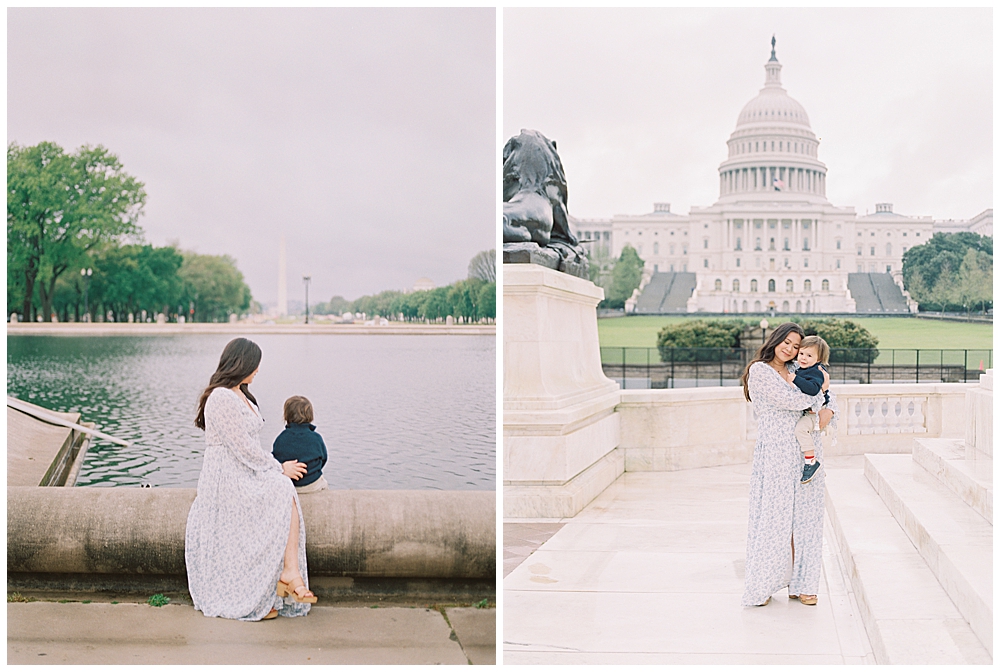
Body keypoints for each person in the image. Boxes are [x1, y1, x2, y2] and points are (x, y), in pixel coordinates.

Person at [185, 337, 317, 621]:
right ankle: (288, 573)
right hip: (227, 474)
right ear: (241, 363)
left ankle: (285, 574)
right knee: (282, 486)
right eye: (254, 365)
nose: (258, 371)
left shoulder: (241, 393)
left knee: (282, 490)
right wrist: (278, 468)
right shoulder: (221, 397)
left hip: (243, 468)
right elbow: (242, 447)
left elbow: (248, 448)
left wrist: (273, 469)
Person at [739, 323, 836, 608]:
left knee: (807, 521)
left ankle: (804, 584)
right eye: (787, 342)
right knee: (774, 520)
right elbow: (795, 401)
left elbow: (831, 402)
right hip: (776, 454)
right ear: (776, 339)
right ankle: (764, 582)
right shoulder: (760, 371)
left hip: (807, 455)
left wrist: (827, 408)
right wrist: (821, 398)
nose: (791, 349)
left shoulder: (800, 369)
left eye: (796, 346)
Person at [789, 335, 832, 483]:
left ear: (818, 359)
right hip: (810, 410)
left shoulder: (816, 371)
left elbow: (814, 390)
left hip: (815, 413)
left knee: (800, 430)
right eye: (801, 354)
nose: (803, 358)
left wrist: (794, 379)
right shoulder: (802, 368)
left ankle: (811, 462)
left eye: (809, 355)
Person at [272, 396, 329, 494]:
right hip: (313, 484)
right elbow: (323, 458)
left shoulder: (281, 439)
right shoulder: (316, 438)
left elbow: (276, 460)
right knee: (324, 483)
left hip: (290, 485)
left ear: (287, 416)